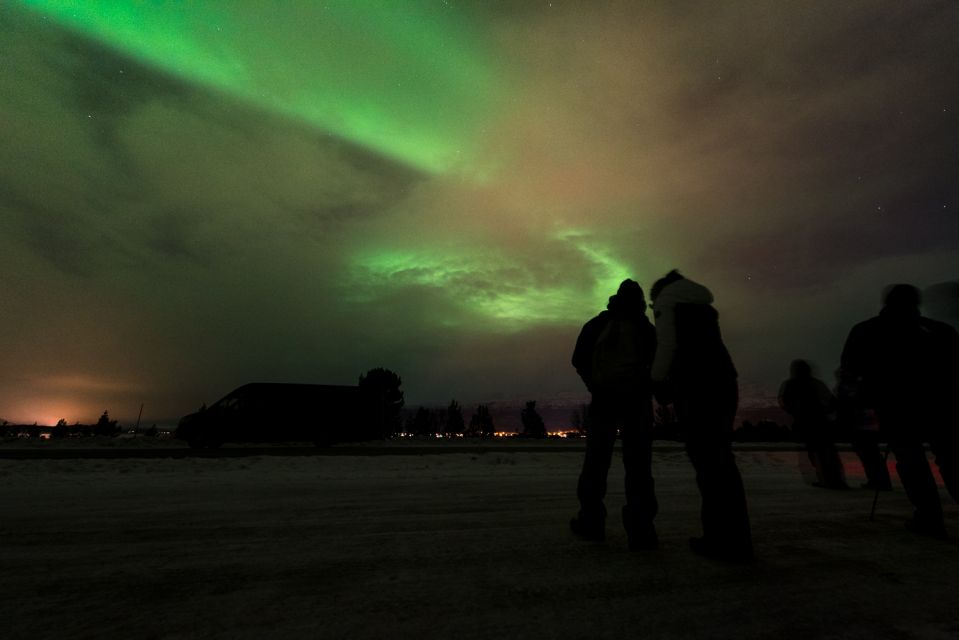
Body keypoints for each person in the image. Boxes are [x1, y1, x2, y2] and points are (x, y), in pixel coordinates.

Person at [649, 270, 752, 561]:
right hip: (722, 382)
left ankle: (721, 542)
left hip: (698, 388)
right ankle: (737, 540)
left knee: (709, 468)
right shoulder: (702, 307)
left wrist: (656, 381)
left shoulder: (669, 302)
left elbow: (667, 346)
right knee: (722, 465)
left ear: (659, 294)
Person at [841, 284, 959, 538]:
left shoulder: (865, 331)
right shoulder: (941, 331)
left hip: (896, 409)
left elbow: (850, 371)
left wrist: (857, 401)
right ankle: (929, 518)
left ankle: (929, 519)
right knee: (951, 459)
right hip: (942, 406)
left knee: (912, 461)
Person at [570, 279, 658, 550]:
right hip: (638, 405)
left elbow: (578, 358)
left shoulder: (596, 325)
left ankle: (591, 522)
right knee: (639, 467)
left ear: (615, 298)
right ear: (641, 303)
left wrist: (595, 385)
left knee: (596, 464)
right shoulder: (647, 330)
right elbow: (659, 365)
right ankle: (641, 531)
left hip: (604, 402)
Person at [778, 360, 848, 489]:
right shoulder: (814, 384)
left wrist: (795, 412)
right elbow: (831, 402)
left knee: (819, 452)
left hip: (810, 423)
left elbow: (783, 402)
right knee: (825, 452)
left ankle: (828, 479)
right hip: (818, 423)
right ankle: (832, 479)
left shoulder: (792, 385)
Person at [834, 367, 892, 491]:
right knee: (870, 455)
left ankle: (879, 481)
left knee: (869, 455)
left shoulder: (854, 388)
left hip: (862, 426)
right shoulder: (857, 386)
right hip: (862, 425)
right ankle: (878, 480)